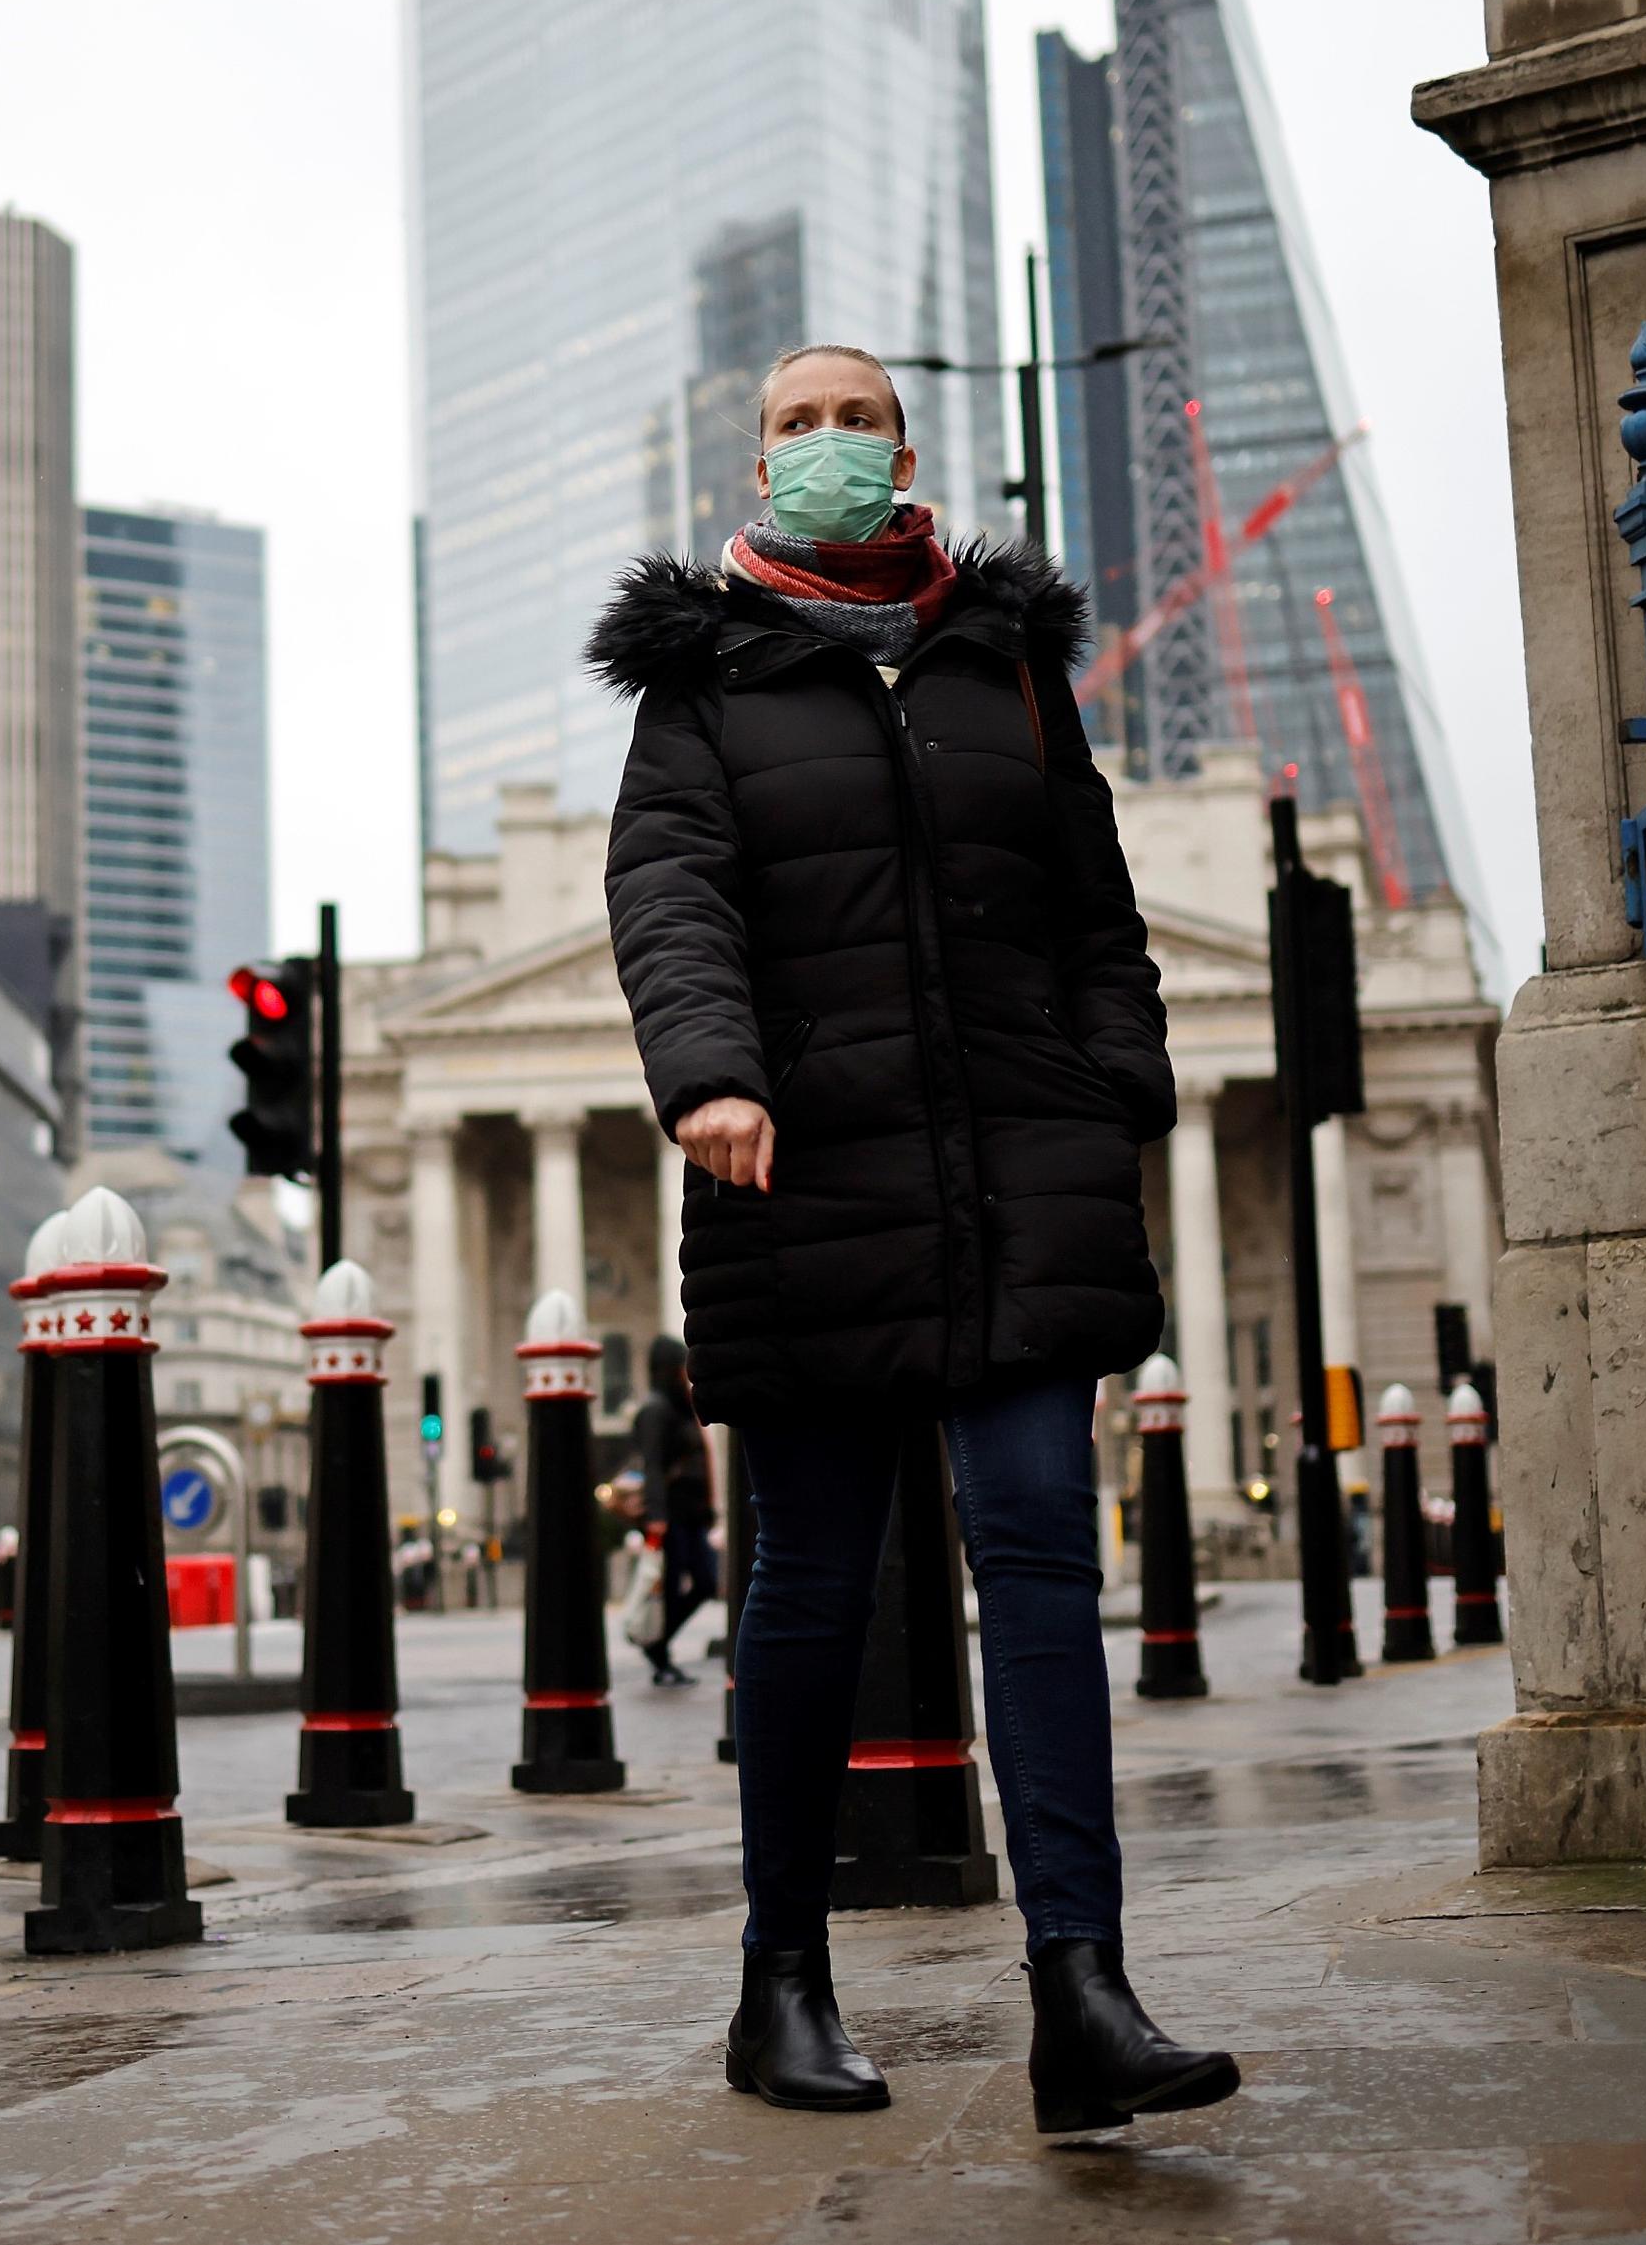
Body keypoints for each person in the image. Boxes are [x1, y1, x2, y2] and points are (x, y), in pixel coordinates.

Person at [590, 342, 1238, 2136]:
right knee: (811, 1576)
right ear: (760, 459)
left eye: (852, 419)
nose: (826, 445)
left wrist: (1116, 1085)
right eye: (795, 423)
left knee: (1037, 1551)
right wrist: (709, 1073)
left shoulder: (1009, 662)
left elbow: (1093, 902)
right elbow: (669, 889)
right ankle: (781, 1978)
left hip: (1014, 1170)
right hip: (802, 1170)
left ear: (905, 448)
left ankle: (1084, 1991)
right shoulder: (703, 675)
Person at [629, 1335, 718, 1685]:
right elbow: (651, 1465)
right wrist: (656, 1516)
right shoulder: (655, 1410)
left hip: (692, 1514)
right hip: (671, 1517)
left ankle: (657, 1644)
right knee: (667, 1587)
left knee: (705, 1582)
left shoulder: (681, 1408)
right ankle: (659, 1652)